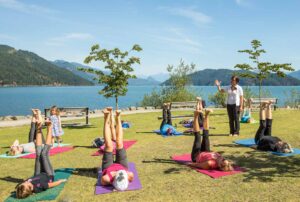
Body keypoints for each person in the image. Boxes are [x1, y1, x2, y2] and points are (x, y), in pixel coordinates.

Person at [15, 113, 67, 199]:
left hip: (38, 174)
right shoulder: (40, 186)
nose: (24, 182)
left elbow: (19, 188)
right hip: (48, 174)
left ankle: (38, 125)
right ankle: (50, 127)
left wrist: (21, 187)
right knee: (44, 154)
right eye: (25, 183)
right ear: (30, 188)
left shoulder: (23, 187)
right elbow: (51, 184)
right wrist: (61, 181)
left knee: (38, 153)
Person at [101, 108, 134, 191]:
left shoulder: (106, 179)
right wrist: (122, 172)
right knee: (119, 143)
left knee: (108, 146)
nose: (121, 175)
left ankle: (106, 117)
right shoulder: (129, 176)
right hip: (122, 165)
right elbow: (131, 174)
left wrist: (114, 173)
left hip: (108, 167)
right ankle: (118, 117)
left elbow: (103, 180)